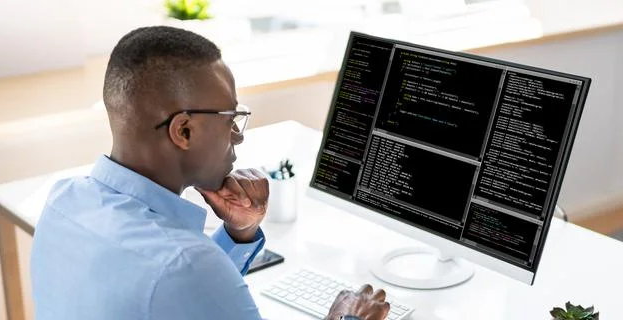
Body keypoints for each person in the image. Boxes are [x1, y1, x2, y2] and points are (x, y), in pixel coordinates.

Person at [30, 26, 390, 320]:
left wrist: (240, 232)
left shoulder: (63, 201)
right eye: (230, 118)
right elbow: (185, 277)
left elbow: (184, 300)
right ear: (183, 131)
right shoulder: (185, 265)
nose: (238, 134)